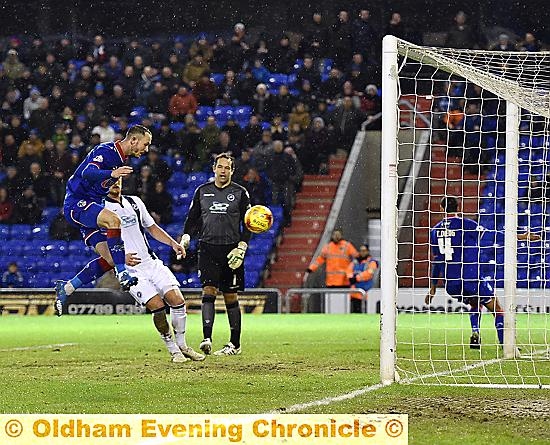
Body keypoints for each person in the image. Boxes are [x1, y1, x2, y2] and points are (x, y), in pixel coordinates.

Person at [56, 179, 203, 363]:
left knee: (177, 300)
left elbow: (152, 228)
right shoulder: (98, 211)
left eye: (118, 180)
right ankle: (173, 350)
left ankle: (183, 345)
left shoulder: (134, 201)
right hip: (130, 270)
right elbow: (99, 247)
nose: (115, 184)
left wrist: (173, 243)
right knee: (157, 306)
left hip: (151, 262)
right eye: (110, 181)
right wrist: (119, 258)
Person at [54, 125, 152, 316]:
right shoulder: (106, 151)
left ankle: (67, 288)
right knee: (114, 221)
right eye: (145, 144)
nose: (146, 149)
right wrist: (111, 174)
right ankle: (123, 274)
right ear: (133, 140)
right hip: (77, 203)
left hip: (92, 207)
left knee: (110, 259)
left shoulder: (122, 159)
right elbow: (87, 173)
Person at [425, 196, 539, 348]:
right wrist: (520, 237)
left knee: (475, 301)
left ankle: (475, 332)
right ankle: (506, 344)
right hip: (470, 278)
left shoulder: (434, 231)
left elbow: (437, 259)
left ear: (441, 208)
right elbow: (493, 235)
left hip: (450, 283)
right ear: (458, 208)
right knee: (497, 308)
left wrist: (433, 287)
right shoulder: (466, 225)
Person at [180, 153, 252, 356]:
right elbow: (192, 218)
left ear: (232, 171)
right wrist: (186, 235)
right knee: (208, 291)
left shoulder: (240, 193)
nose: (223, 171)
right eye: (220, 167)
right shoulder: (202, 191)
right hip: (208, 248)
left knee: (230, 295)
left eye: (227, 168)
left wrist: (242, 246)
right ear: (214, 169)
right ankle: (207, 338)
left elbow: (248, 224)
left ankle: (235, 344)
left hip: (231, 250)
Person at [347, 244, 379, 313]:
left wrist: (356, 278)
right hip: (355, 293)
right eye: (361, 251)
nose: (362, 252)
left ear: (368, 251)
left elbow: (369, 273)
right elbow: (348, 270)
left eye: (364, 251)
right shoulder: (355, 262)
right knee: (355, 313)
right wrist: (350, 277)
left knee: (365, 312)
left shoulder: (372, 262)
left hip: (366, 293)